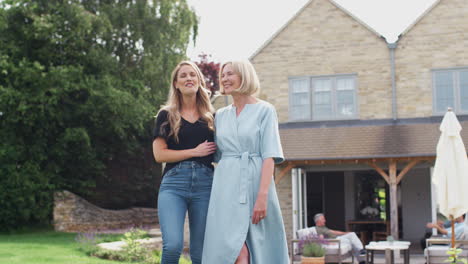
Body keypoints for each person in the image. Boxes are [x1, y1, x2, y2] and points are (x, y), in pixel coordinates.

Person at [202, 60, 289, 264]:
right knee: (235, 252)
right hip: (225, 189)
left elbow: (269, 155)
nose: (224, 78)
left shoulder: (265, 110)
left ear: (245, 76)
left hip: (255, 184)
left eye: (230, 74)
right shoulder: (220, 116)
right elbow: (214, 154)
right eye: (222, 75)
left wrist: (262, 196)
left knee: (256, 248)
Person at [152, 61, 216, 264]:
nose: (189, 78)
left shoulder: (212, 118)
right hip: (174, 185)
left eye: (193, 75)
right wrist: (194, 152)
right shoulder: (166, 115)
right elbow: (159, 155)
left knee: (200, 252)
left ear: (199, 81)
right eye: (183, 76)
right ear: (176, 84)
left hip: (205, 186)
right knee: (172, 246)